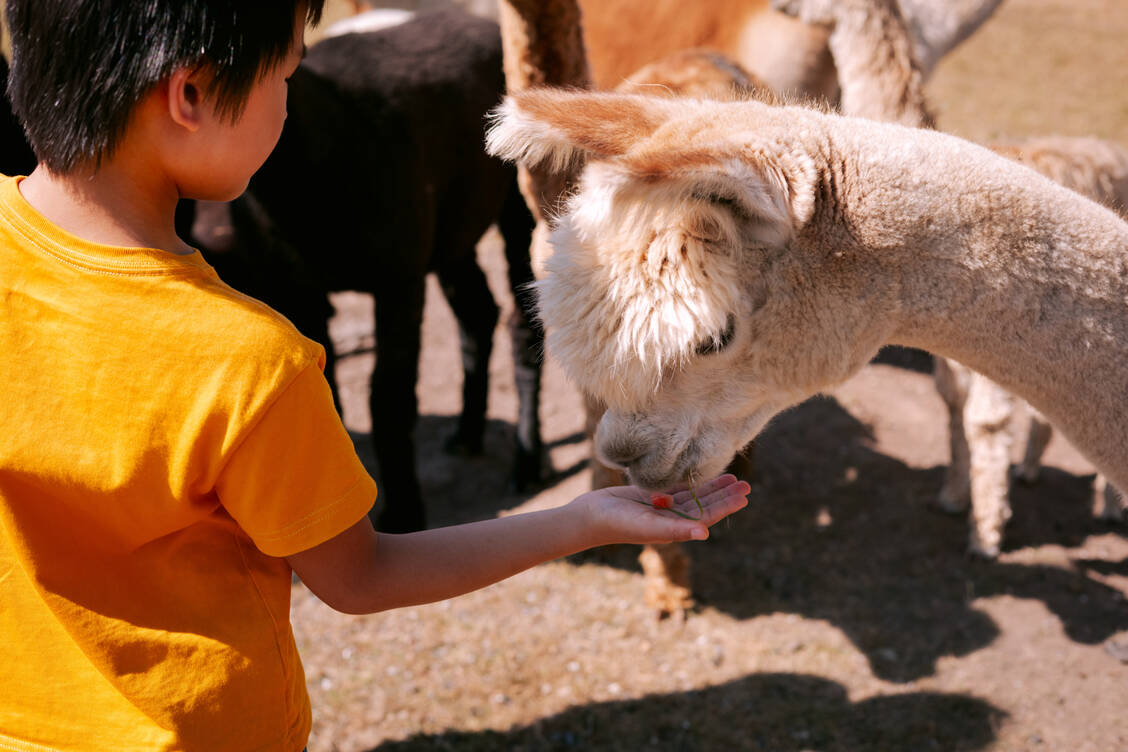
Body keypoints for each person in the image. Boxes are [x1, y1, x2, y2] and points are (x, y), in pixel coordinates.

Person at [0, 2, 751, 750]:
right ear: (191, 97)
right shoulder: (249, 365)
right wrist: (585, 520)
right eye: (287, 74)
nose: (291, 103)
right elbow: (359, 576)